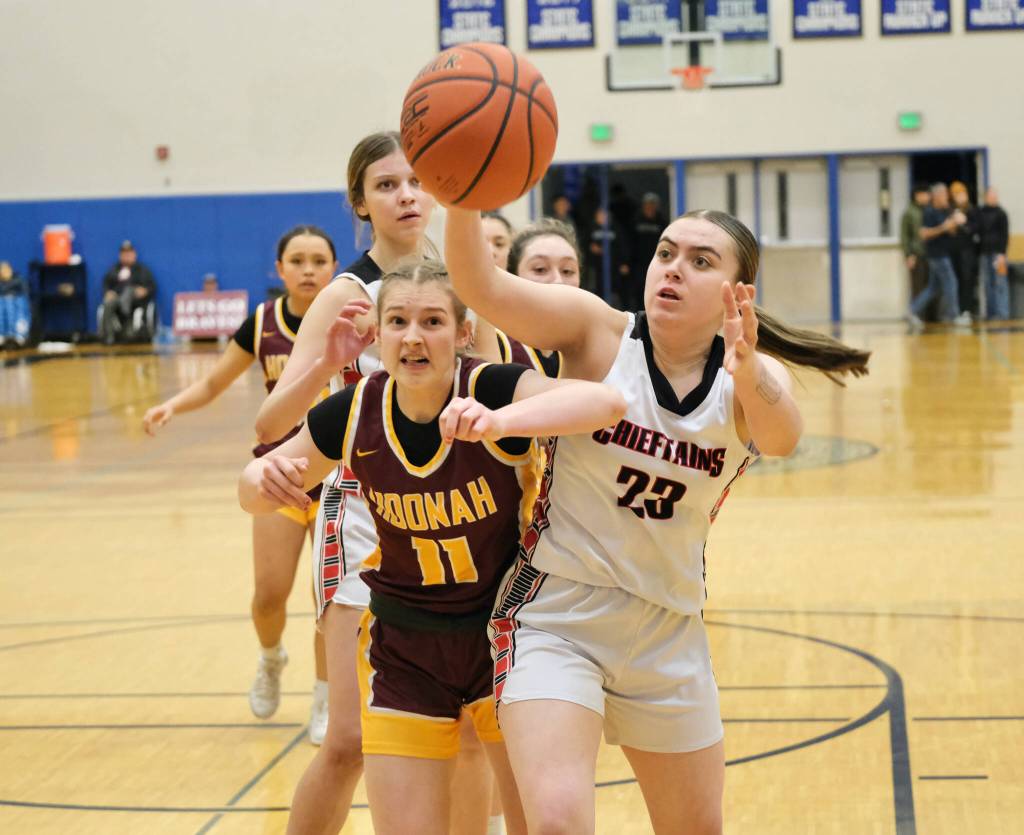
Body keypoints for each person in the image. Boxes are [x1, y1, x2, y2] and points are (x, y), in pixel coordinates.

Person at [441, 204, 870, 834]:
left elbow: (781, 438)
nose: (673, 270)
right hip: (558, 614)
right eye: (666, 253)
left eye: (700, 262)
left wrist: (748, 365)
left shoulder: (747, 377)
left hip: (668, 627)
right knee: (556, 822)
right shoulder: (598, 332)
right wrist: (461, 199)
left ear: (736, 292)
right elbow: (479, 286)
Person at [239, 261, 627, 835]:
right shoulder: (354, 411)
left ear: (463, 332)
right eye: (397, 321)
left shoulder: (491, 387)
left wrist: (502, 419)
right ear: (378, 334)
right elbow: (256, 481)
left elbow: (605, 404)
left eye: (432, 320)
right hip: (406, 645)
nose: (413, 336)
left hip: (511, 638)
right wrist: (259, 484)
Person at [255, 131, 502, 835]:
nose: (406, 196)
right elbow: (272, 418)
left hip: (454, 514)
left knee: (465, 732)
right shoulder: (346, 291)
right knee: (347, 739)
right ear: (359, 201)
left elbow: (492, 383)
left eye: (417, 182)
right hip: (363, 514)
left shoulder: (459, 279)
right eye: (387, 184)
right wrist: (329, 359)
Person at [141, 226, 338, 742]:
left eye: (319, 259)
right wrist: (171, 405)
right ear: (279, 270)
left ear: (335, 267)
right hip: (278, 472)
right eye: (297, 260)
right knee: (268, 596)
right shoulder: (264, 322)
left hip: (337, 477)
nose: (309, 269)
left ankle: (325, 698)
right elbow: (212, 383)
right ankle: (272, 658)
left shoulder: (351, 321)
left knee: (329, 602)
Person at [909, 183, 969, 330]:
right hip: (936, 255)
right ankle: (954, 316)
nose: (946, 198)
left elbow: (951, 232)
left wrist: (956, 221)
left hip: (944, 253)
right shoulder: (929, 212)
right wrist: (944, 227)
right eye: (943, 195)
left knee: (933, 287)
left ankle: (912, 311)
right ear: (936, 196)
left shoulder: (944, 211)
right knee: (951, 282)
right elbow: (924, 234)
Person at [100, 240, 157, 344]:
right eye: (124, 254)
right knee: (108, 303)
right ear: (120, 255)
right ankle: (108, 336)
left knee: (129, 291)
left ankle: (127, 322)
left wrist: (145, 291)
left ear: (134, 254)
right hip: (117, 299)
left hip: (136, 301)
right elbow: (106, 284)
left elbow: (152, 287)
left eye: (129, 253)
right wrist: (107, 292)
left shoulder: (142, 270)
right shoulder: (114, 269)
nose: (126, 256)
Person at [630, 193, 668, 312]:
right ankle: (639, 313)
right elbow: (630, 241)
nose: (650, 207)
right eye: (648, 204)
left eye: (652, 205)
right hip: (639, 262)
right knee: (639, 289)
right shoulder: (636, 220)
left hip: (657, 261)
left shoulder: (662, 221)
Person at [978, 186, 1011, 321]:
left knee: (1000, 283)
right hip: (985, 253)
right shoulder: (981, 213)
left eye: (995, 196)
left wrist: (1002, 254)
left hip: (998, 254)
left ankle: (1003, 313)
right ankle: (991, 313)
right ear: (985, 197)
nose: (993, 198)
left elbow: (1004, 235)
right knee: (987, 284)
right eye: (991, 196)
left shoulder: (1002, 213)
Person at [586, 207, 630, 303]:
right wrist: (591, 248)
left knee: (615, 291)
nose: (601, 217)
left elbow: (622, 245)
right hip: (596, 266)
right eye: (599, 215)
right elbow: (585, 244)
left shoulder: (616, 228)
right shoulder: (591, 228)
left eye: (604, 215)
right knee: (597, 290)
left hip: (614, 265)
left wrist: (624, 262)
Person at [900, 184, 932, 320]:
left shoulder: (930, 211)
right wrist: (909, 255)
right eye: (925, 194)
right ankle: (916, 315)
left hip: (930, 254)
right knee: (917, 286)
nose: (927, 197)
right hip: (917, 254)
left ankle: (929, 316)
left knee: (929, 285)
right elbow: (905, 236)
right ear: (917, 195)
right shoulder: (909, 212)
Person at [949, 181, 980, 319]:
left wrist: (964, 222)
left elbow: (975, 229)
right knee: (956, 280)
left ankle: (967, 309)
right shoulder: (951, 211)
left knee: (968, 280)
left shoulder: (972, 210)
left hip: (968, 251)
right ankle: (957, 310)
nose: (960, 197)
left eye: (961, 193)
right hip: (954, 250)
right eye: (956, 194)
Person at [0, 260, 31, 348]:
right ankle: (2, 335)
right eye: (2, 270)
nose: (4, 272)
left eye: (6, 269)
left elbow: (25, 293)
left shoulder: (19, 279)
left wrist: (11, 296)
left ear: (10, 269)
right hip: (2, 304)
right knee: (3, 303)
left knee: (16, 302)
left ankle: (18, 336)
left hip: (17, 305)